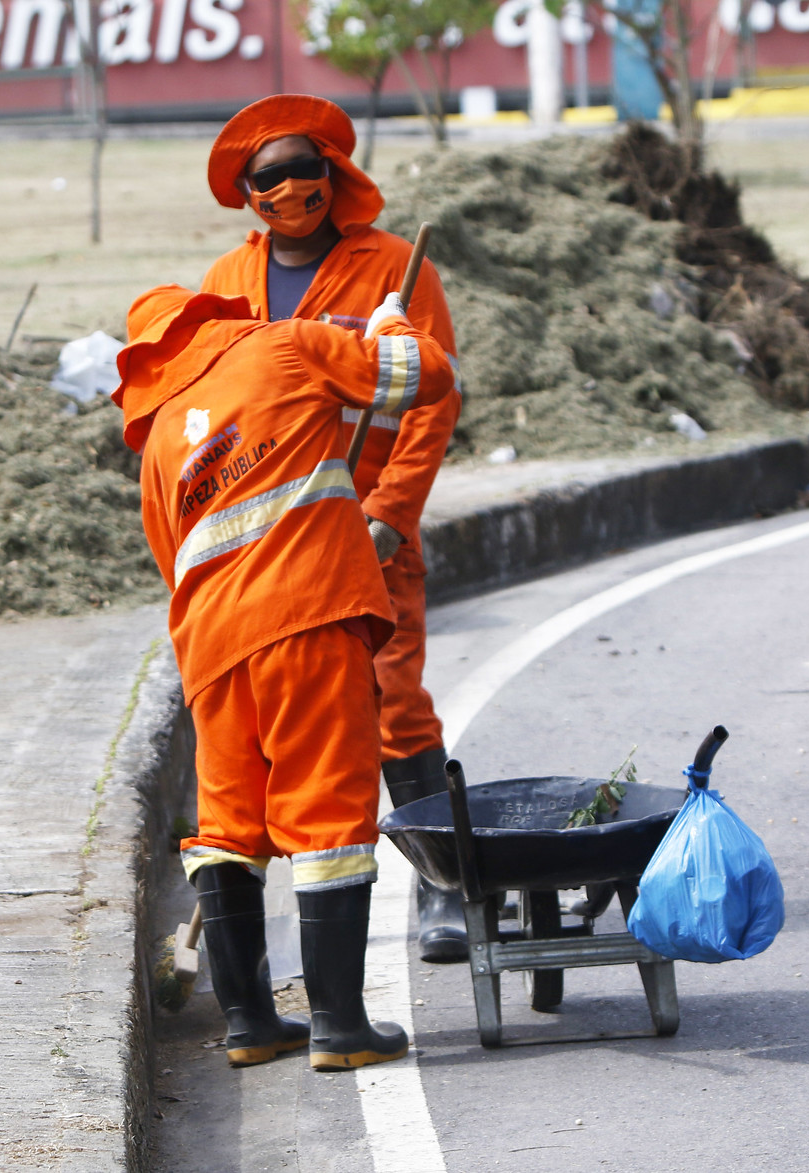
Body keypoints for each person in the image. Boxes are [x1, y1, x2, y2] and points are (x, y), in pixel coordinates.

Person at [113, 281, 455, 1070]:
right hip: (307, 616)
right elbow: (420, 375)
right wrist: (390, 321)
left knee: (229, 824)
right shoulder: (284, 346)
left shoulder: (163, 438)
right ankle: (338, 1025)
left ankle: (250, 1023)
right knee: (326, 807)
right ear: (212, 321)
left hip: (211, 650)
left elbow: (175, 563)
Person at [199, 94, 469, 964]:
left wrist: (390, 512)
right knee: (272, 727)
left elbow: (435, 398)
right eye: (266, 177)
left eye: (302, 168)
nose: (288, 189)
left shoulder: (393, 268)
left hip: (369, 535)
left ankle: (442, 883)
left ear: (333, 172)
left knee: (393, 699)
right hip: (270, 551)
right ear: (246, 191)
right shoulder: (224, 286)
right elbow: (207, 415)